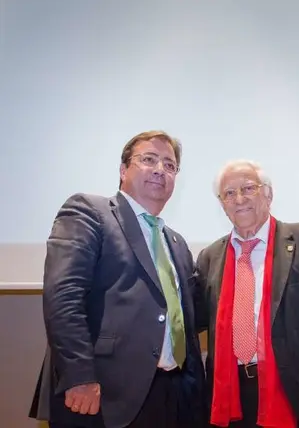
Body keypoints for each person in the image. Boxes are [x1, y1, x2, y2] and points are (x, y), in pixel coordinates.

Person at [29, 130, 206, 428]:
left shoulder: (176, 243)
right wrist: (79, 376)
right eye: (149, 159)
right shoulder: (89, 212)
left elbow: (183, 320)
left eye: (170, 165)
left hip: (172, 398)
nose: (160, 170)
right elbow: (63, 297)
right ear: (124, 170)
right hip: (102, 394)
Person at [195, 160, 299, 428]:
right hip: (232, 398)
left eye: (248, 188)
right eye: (229, 193)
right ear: (222, 204)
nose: (239, 199)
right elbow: (191, 318)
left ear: (268, 194)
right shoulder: (210, 257)